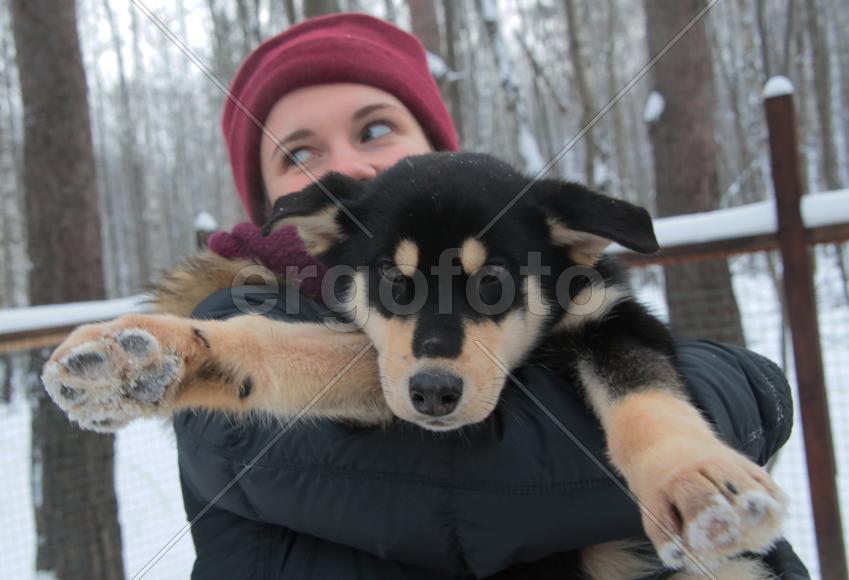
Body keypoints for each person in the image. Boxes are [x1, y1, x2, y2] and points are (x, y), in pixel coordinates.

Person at [174, 13, 809, 579]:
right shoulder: (217, 339)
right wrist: (742, 401)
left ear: (435, 141)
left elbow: (619, 334)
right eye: (299, 152)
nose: (349, 163)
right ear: (293, 216)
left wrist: (679, 438)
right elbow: (479, 484)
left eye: (373, 131)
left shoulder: (544, 254)